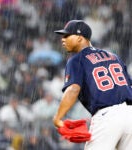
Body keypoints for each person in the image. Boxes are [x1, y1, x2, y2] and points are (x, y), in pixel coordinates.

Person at [53, 20, 132, 150]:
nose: (63, 39)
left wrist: (58, 118)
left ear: (79, 38)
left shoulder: (76, 60)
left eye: (67, 36)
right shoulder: (113, 56)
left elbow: (73, 89)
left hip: (107, 117)